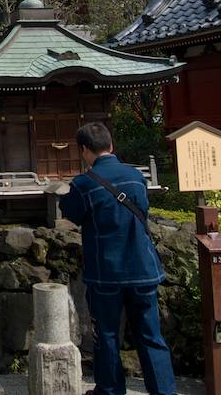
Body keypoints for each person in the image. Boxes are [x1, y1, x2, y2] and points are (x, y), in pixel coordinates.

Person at [59, 123, 175, 395]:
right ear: (111, 146)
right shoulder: (135, 176)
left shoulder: (84, 184)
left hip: (106, 272)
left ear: (84, 150)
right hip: (143, 268)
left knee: (108, 335)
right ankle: (164, 391)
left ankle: (110, 390)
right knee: (151, 335)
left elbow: (71, 213)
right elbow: (143, 211)